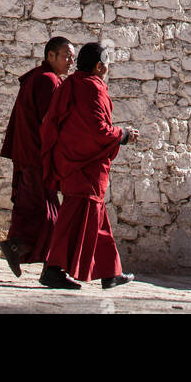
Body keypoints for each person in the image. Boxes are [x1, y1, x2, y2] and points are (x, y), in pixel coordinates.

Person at [39, 42, 138, 291]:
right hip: (84, 165)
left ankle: (109, 272)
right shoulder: (91, 89)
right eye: (106, 63)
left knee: (98, 220)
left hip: (72, 161)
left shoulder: (71, 85)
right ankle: (52, 270)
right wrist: (123, 134)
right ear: (98, 66)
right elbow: (96, 131)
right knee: (72, 218)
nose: (107, 68)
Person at [0, 36, 75, 278]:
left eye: (72, 57)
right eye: (66, 56)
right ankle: (39, 260)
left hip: (29, 155)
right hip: (37, 157)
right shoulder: (47, 81)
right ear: (50, 56)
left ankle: (19, 247)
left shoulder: (38, 77)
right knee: (49, 214)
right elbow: (49, 124)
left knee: (33, 209)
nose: (70, 61)